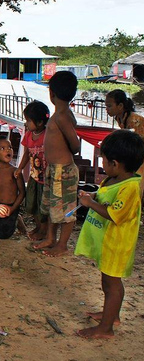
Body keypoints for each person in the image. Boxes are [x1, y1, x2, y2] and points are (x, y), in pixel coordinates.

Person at [75, 130, 144, 339]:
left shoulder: (131, 188)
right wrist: (93, 195)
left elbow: (114, 215)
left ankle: (106, 329)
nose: (101, 163)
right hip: (107, 243)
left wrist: (90, 203)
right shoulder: (113, 179)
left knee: (112, 285)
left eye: (103, 159)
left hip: (117, 245)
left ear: (115, 163)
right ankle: (110, 315)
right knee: (108, 282)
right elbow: (105, 195)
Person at [32, 71, 80, 257]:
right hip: (54, 170)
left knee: (66, 209)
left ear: (51, 93)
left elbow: (75, 145)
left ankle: (62, 244)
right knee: (54, 206)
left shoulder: (62, 117)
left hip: (63, 171)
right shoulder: (61, 114)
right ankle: (51, 238)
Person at [16, 101, 49, 241]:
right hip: (34, 176)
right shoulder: (29, 135)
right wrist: (20, 168)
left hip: (46, 178)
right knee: (32, 203)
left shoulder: (48, 136)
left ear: (40, 122)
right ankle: (38, 226)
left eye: (29, 120)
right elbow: (26, 154)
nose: (26, 123)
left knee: (43, 206)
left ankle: (44, 230)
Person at [105, 89, 144, 194]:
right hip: (137, 153)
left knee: (137, 184)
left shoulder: (134, 120)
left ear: (120, 106)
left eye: (109, 106)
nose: (106, 110)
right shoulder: (119, 118)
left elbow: (138, 145)